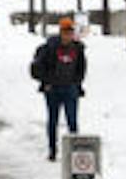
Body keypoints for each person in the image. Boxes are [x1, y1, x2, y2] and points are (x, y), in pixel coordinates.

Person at [30, 17, 88, 162]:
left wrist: (77, 82)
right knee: (53, 120)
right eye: (65, 32)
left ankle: (74, 149)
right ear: (60, 32)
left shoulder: (78, 49)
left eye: (70, 32)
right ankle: (52, 150)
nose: (68, 36)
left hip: (70, 88)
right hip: (53, 90)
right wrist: (47, 81)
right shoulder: (49, 48)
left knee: (72, 120)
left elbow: (81, 68)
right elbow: (37, 68)